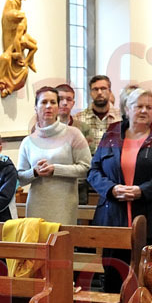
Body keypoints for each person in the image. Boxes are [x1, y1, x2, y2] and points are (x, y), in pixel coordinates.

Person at [86, 88, 152, 303]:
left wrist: (143, 190)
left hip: (149, 219)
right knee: (113, 280)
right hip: (113, 218)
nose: (144, 111)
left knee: (146, 282)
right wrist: (111, 188)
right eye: (139, 106)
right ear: (127, 109)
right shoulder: (112, 134)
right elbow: (93, 171)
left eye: (149, 107)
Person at [17, 86, 91, 227]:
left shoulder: (74, 134)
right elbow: (20, 178)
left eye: (53, 102)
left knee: (61, 239)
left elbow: (86, 168)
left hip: (64, 205)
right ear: (36, 107)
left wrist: (55, 169)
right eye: (44, 102)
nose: (48, 106)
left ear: (58, 107)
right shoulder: (28, 141)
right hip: (36, 206)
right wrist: (34, 172)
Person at [0, 0, 39, 97]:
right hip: (12, 43)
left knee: (24, 69)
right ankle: (3, 84)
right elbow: (8, 15)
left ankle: (10, 88)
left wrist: (24, 59)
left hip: (18, 43)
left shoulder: (21, 24)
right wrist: (18, 54)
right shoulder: (12, 1)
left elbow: (26, 41)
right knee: (5, 58)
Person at [76, 75, 122, 157]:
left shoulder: (121, 118)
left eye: (103, 88)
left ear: (110, 91)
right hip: (87, 164)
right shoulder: (78, 119)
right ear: (90, 93)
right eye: (95, 89)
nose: (99, 92)